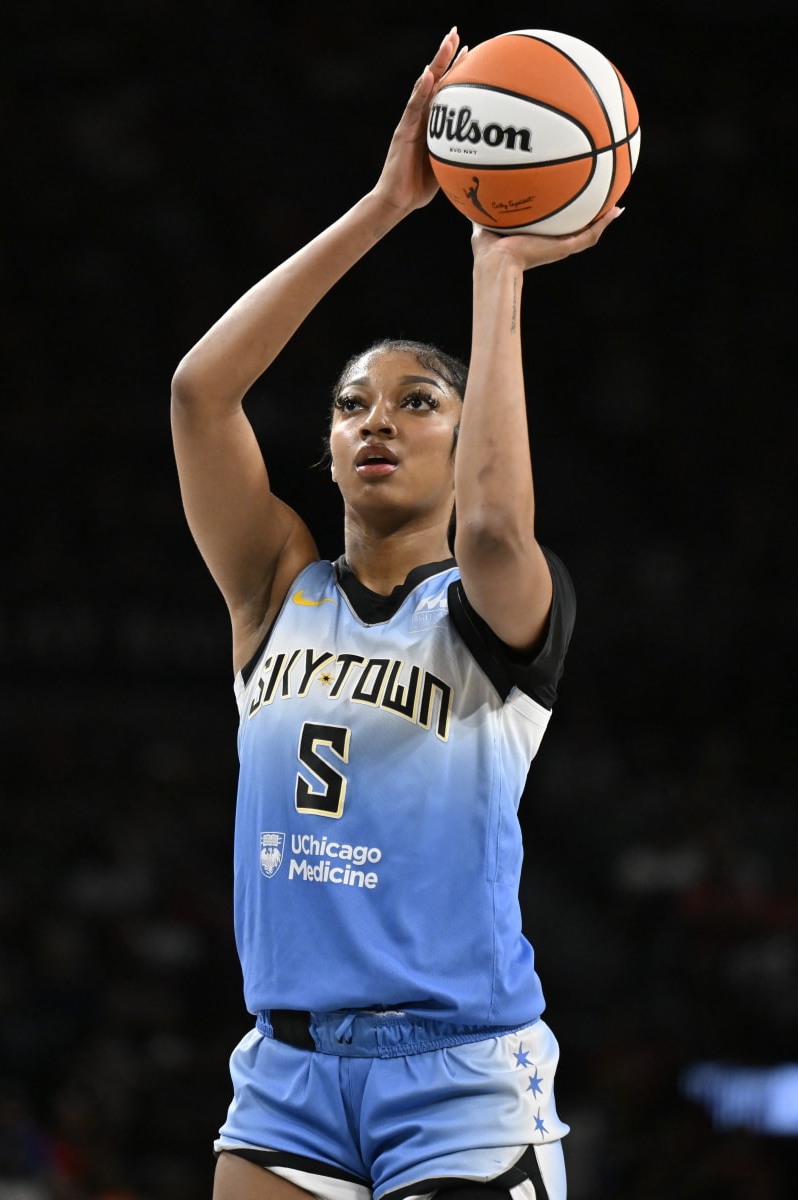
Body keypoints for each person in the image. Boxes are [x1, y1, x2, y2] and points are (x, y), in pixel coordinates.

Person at [170, 27, 618, 1200]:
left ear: (471, 442)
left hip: (460, 1076)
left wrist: (496, 268)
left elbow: (496, 531)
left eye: (419, 402)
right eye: (351, 404)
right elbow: (200, 393)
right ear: (325, 450)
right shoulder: (277, 588)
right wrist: (383, 207)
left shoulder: (490, 605)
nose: (377, 418)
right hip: (287, 1078)